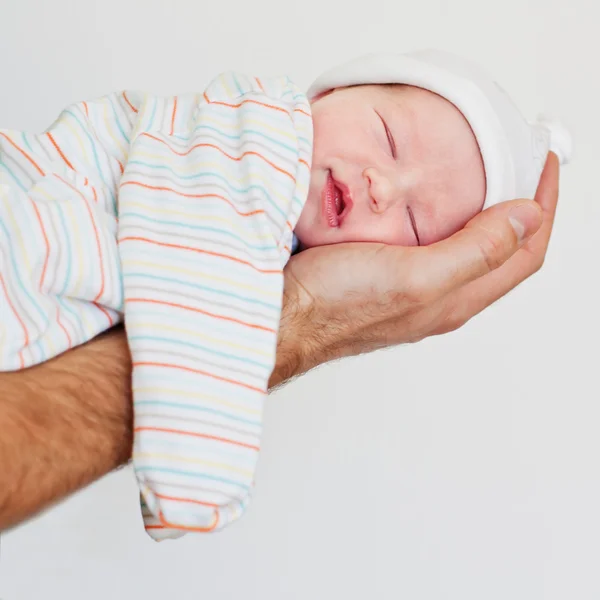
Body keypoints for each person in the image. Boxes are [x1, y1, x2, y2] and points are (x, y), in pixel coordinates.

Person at [0, 49, 567, 538]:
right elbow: (206, 293)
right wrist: (196, 477)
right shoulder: (255, 136)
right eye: (386, 137)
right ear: (331, 92)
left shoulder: (267, 253)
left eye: (416, 222)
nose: (384, 186)